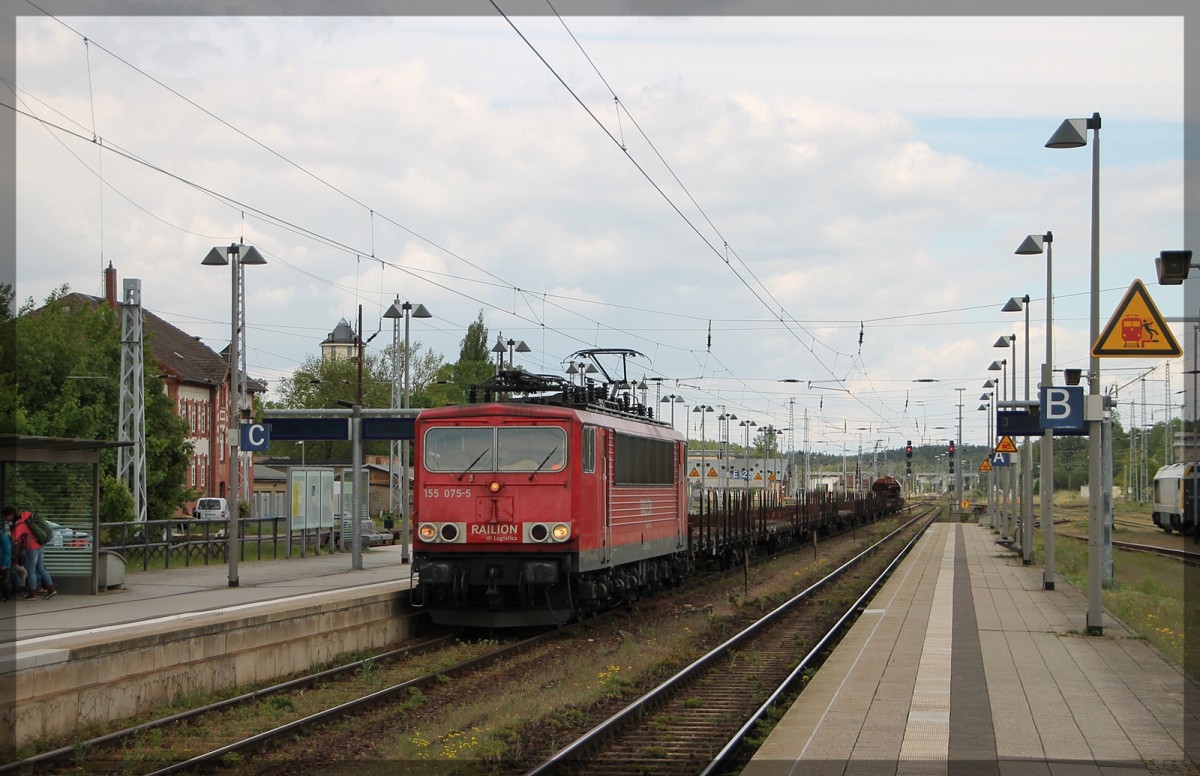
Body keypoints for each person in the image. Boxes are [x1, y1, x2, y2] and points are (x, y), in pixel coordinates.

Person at [5, 506, 56, 600]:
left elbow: (13, 538)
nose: (5, 519)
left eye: (5, 516)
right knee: (40, 568)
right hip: (40, 545)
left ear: (11, 515)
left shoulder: (20, 524)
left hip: (32, 548)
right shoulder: (27, 516)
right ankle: (51, 589)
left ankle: (32, 593)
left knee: (31, 570)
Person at [0, 517, 12, 603]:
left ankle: (7, 597)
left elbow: (7, 551)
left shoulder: (3, 536)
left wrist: (5, 563)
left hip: (3, 564)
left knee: (4, 581)